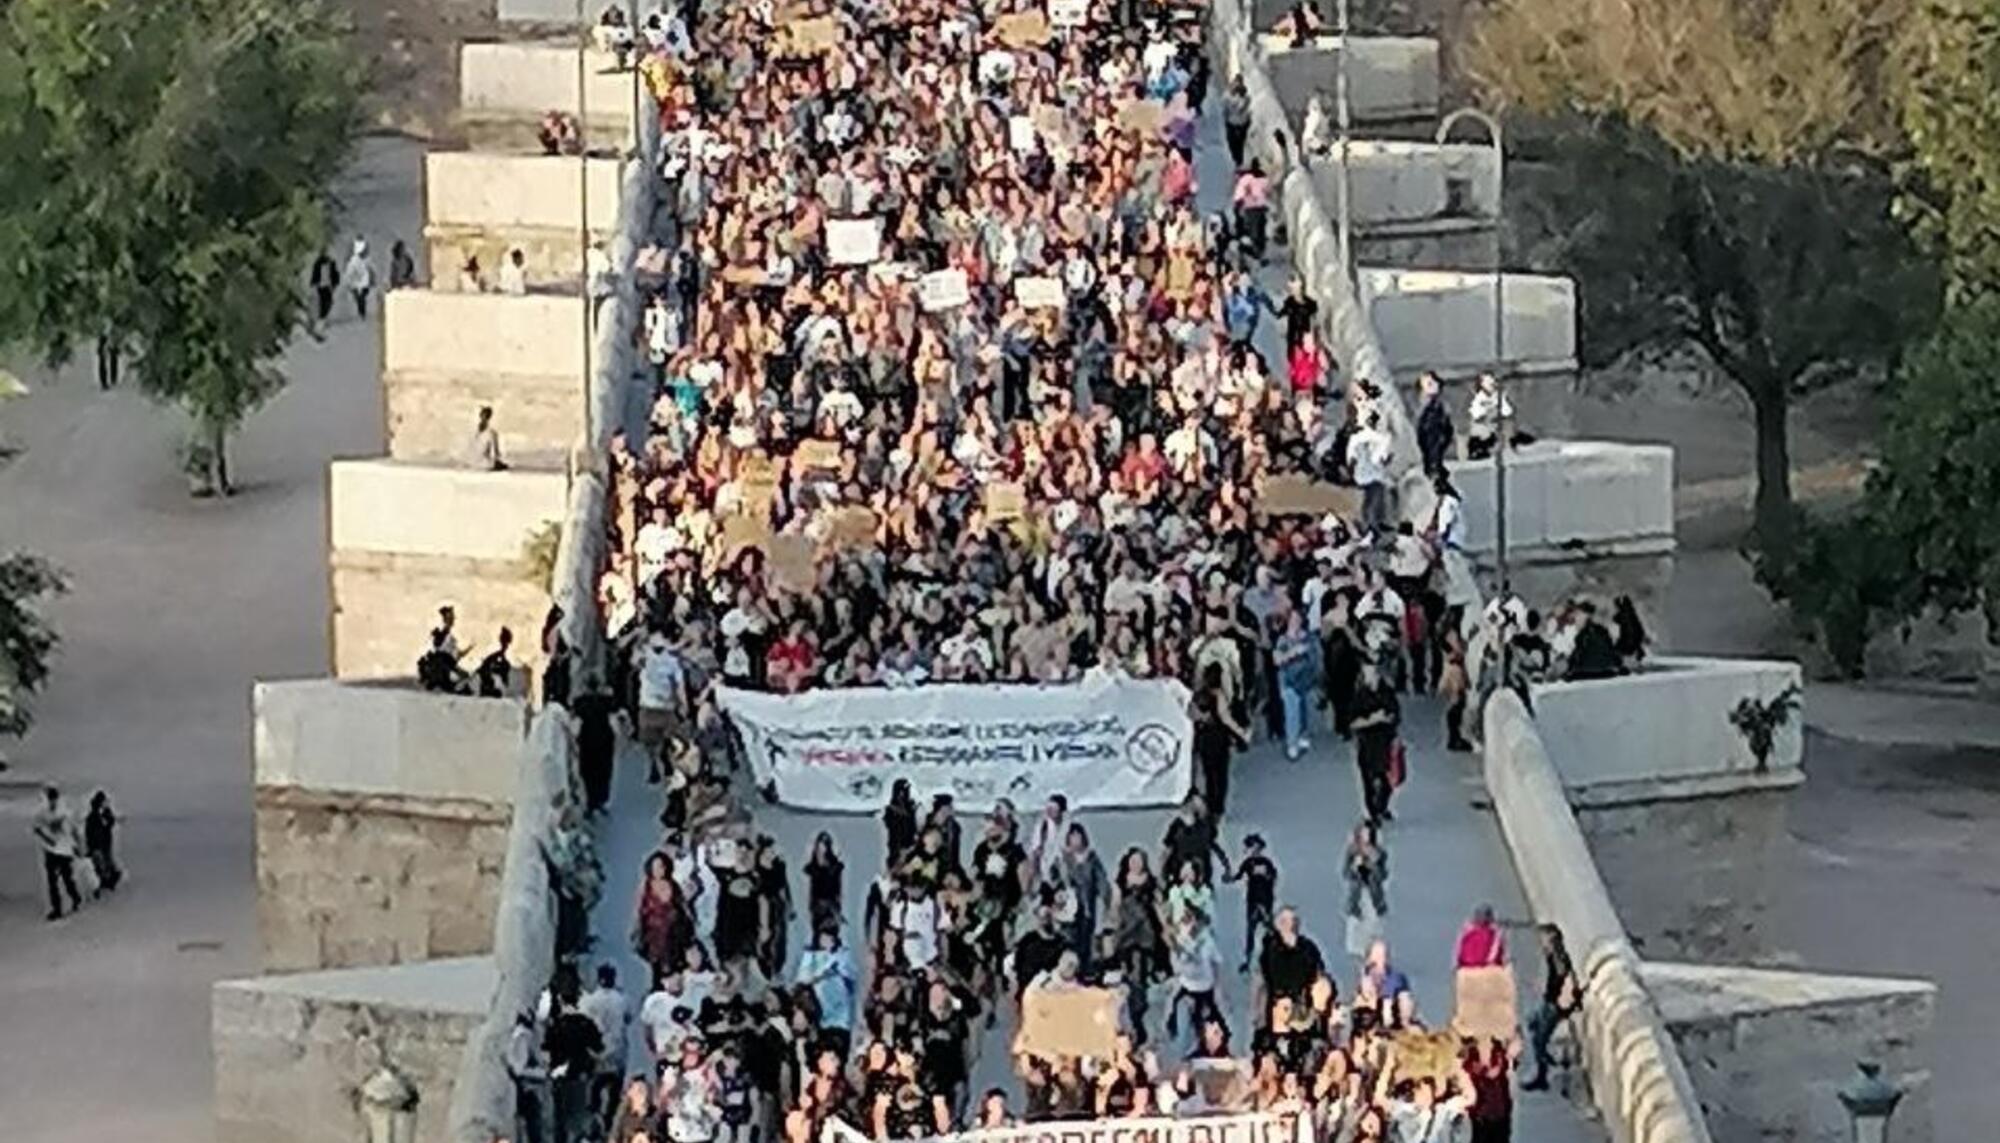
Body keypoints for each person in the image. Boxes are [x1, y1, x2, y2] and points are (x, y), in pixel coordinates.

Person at [1523, 925, 1577, 1091]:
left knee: (1539, 1039)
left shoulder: (1559, 958)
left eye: (1546, 939)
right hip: (1548, 1002)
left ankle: (1543, 1073)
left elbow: (1563, 977)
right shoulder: (1552, 956)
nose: (1543, 942)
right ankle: (1547, 1061)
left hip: (1553, 1006)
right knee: (1532, 1024)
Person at [1350, 659, 1401, 825]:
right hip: (1366, 742)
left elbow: (1395, 715)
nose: (1372, 676)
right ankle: (1371, 813)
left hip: (1385, 741)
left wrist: (1388, 721)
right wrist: (1373, 719)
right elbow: (1353, 722)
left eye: (1374, 672)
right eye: (1368, 672)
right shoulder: (1359, 695)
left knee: (1387, 779)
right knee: (1369, 780)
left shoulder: (1387, 692)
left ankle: (1381, 807)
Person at [580, 964, 633, 1120]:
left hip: (597, 1052)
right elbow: (629, 1018)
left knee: (595, 1089)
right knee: (614, 1094)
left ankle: (594, 1122)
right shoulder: (623, 999)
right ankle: (610, 1123)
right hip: (618, 1052)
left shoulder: (589, 1001)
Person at [1255, 906, 1326, 1021]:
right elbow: (1260, 980)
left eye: (1293, 920)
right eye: (1284, 921)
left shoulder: (1308, 948)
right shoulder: (1269, 950)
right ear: (1277, 926)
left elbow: (1320, 975)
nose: (1290, 925)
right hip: (1277, 1006)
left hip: (1303, 1004)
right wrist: (1258, 1011)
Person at [1224, 834, 1279, 974]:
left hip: (1265, 900)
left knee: (1270, 931)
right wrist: (1228, 878)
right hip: (1253, 900)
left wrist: (1266, 876)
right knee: (1251, 931)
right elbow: (1237, 876)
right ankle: (1248, 960)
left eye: (1255, 848)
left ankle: (1274, 958)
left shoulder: (1267, 863)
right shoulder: (1248, 863)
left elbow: (1273, 877)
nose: (1253, 851)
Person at [32, 785, 84, 920]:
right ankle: (57, 909)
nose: (51, 801)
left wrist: (77, 846)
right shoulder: (42, 813)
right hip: (50, 851)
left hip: (65, 850)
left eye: (53, 798)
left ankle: (75, 897)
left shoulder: (65, 813)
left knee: (67, 878)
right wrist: (45, 839)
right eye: (50, 798)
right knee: (52, 882)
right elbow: (37, 829)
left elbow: (74, 830)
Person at [1342, 822, 1388, 958]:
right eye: (1362, 834)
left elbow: (1383, 875)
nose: (1365, 838)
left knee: (1373, 925)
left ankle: (1372, 951)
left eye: (1368, 834)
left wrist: (1373, 865)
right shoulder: (1352, 852)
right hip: (1357, 895)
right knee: (1356, 925)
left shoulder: (1379, 854)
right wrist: (1355, 868)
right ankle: (1359, 952)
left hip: (1373, 895)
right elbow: (1345, 874)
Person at [507, 1008, 550, 1143]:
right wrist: (541, 1074)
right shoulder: (523, 1036)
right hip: (525, 1090)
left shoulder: (518, 1035)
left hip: (524, 1089)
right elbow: (519, 1069)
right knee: (533, 1126)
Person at [84, 790, 122, 897]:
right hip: (99, 842)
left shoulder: (100, 813)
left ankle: (106, 881)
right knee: (102, 863)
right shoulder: (96, 815)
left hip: (101, 842)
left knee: (103, 863)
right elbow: (94, 829)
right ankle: (105, 882)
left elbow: (110, 823)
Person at [1415, 373, 1454, 475]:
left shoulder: (1437, 406)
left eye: (1431, 383)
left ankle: (1434, 470)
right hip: (1429, 436)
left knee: (1433, 455)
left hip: (1434, 434)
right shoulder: (1428, 404)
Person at [1454, 903, 1507, 968]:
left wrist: (1456, 965)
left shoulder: (1466, 930)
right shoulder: (1493, 932)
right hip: (1484, 965)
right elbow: (1495, 952)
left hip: (1466, 964)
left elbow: (1458, 949)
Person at [477, 626, 516, 697]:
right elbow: (484, 669)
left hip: (497, 687)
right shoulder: (494, 656)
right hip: (490, 687)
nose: (505, 644)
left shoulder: (503, 656)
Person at [343, 237, 375, 319]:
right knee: (359, 297)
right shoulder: (352, 258)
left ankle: (362, 313)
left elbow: (370, 269)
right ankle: (361, 312)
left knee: (362, 297)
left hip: (364, 282)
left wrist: (372, 279)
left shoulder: (366, 259)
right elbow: (348, 269)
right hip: (354, 281)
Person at [468, 405, 507, 471]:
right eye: (482, 415)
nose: (483, 417)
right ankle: (495, 460)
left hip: (484, 451)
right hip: (481, 452)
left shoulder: (489, 429)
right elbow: (477, 436)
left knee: (492, 436)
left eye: (484, 415)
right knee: (492, 436)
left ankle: (495, 459)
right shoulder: (481, 426)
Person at [310, 249, 339, 326]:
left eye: (325, 253)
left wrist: (335, 283)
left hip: (328, 285)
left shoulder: (331, 263)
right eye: (323, 253)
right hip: (321, 285)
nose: (325, 255)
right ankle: (322, 318)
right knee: (324, 302)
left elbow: (335, 273)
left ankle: (323, 317)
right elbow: (315, 273)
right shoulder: (318, 263)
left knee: (328, 302)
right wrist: (313, 283)